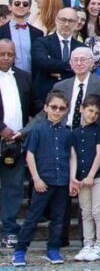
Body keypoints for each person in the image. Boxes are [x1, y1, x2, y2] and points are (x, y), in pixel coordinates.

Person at [11, 90, 73, 267]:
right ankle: (20, 251)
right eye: (53, 107)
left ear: (66, 110)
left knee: (58, 218)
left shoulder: (67, 133)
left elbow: (71, 156)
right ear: (46, 108)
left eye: (61, 108)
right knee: (33, 217)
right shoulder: (37, 130)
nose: (57, 111)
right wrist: (36, 178)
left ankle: (53, 249)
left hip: (61, 181)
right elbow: (30, 155)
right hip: (43, 181)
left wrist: (71, 179)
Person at [0, 39, 33, 249]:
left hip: (16, 142)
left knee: (13, 187)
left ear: (15, 56)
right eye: (1, 54)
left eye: (9, 54)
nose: (5, 58)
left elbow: (36, 105)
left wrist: (23, 132)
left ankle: (9, 229)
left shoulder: (24, 77)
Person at [69, 93, 100, 261]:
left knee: (98, 210)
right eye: (90, 111)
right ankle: (88, 243)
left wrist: (91, 175)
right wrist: (73, 178)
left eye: (96, 113)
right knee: (85, 212)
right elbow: (73, 157)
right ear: (81, 109)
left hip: (97, 177)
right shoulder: (74, 133)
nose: (92, 115)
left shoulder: (99, 131)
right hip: (81, 178)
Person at [31, 7, 81, 101]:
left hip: (72, 96)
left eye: (71, 21)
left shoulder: (82, 47)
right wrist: (73, 65)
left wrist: (56, 68)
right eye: (63, 20)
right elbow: (42, 62)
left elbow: (84, 69)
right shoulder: (42, 42)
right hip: (45, 97)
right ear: (56, 20)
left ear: (76, 23)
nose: (66, 24)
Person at [0, 0, 43, 75]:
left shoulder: (38, 33)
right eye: (17, 3)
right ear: (10, 7)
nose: (21, 6)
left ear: (29, 8)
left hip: (32, 80)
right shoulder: (1, 31)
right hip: (6, 79)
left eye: (25, 4)